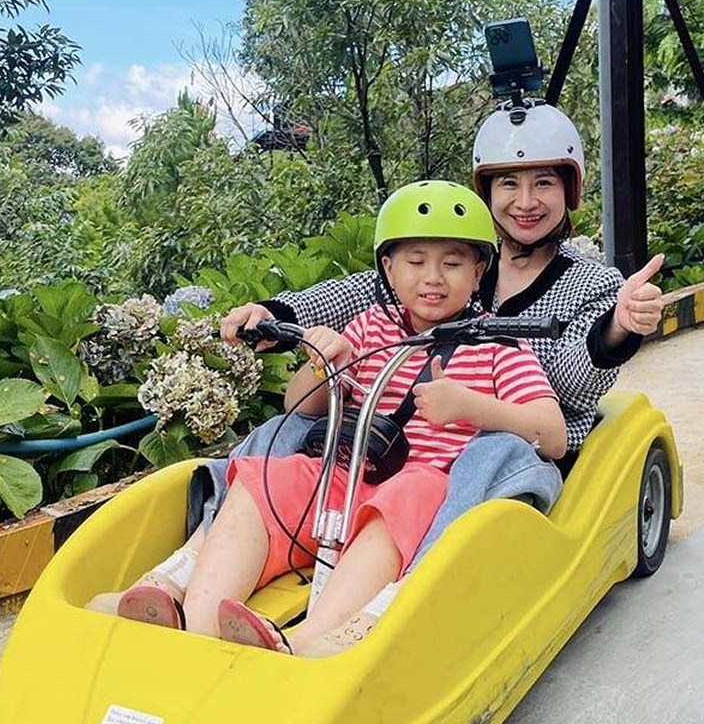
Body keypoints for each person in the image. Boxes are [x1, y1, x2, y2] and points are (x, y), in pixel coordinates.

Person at [94, 100, 666, 653]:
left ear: (570, 189)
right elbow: (345, 302)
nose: (525, 201)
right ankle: (190, 597)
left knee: (468, 464)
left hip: (494, 450)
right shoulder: (426, 275)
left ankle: (370, 608)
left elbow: (568, 375)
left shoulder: (575, 290)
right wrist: (284, 324)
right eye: (508, 184)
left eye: (543, 183)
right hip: (371, 462)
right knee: (281, 444)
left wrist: (617, 326)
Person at [103, 182, 565, 656]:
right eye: (415, 262)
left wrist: (469, 406)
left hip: (423, 497)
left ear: (479, 271)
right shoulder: (370, 328)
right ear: (388, 268)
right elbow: (297, 407)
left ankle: (308, 639)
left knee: (410, 491)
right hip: (345, 478)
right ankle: (198, 620)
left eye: (452, 264)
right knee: (267, 478)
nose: (433, 279)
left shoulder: (497, 345)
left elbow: (553, 436)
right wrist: (326, 365)